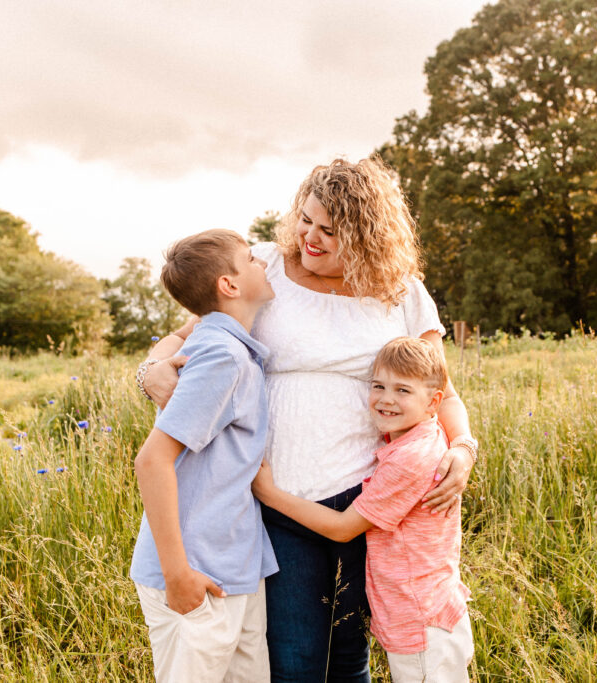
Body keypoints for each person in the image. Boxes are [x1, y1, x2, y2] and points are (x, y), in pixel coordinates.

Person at [140, 157, 478, 682]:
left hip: (366, 499)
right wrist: (152, 368)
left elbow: (444, 393)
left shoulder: (401, 292)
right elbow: (184, 337)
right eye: (306, 219)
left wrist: (463, 447)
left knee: (348, 657)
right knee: (294, 660)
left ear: (368, 237)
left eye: (330, 231)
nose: (309, 238)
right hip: (277, 500)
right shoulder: (266, 266)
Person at [252, 337, 473, 682]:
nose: (386, 399)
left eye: (403, 390)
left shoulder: (412, 458)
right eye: (378, 385)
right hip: (419, 611)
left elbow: (343, 528)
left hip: (420, 618)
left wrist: (269, 493)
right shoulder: (415, 437)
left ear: (434, 403)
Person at [130, 229, 278, 682]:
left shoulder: (226, 344)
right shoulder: (221, 355)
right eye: (252, 259)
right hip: (196, 576)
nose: (264, 263)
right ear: (228, 285)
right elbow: (152, 461)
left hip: (233, 569)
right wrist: (178, 575)